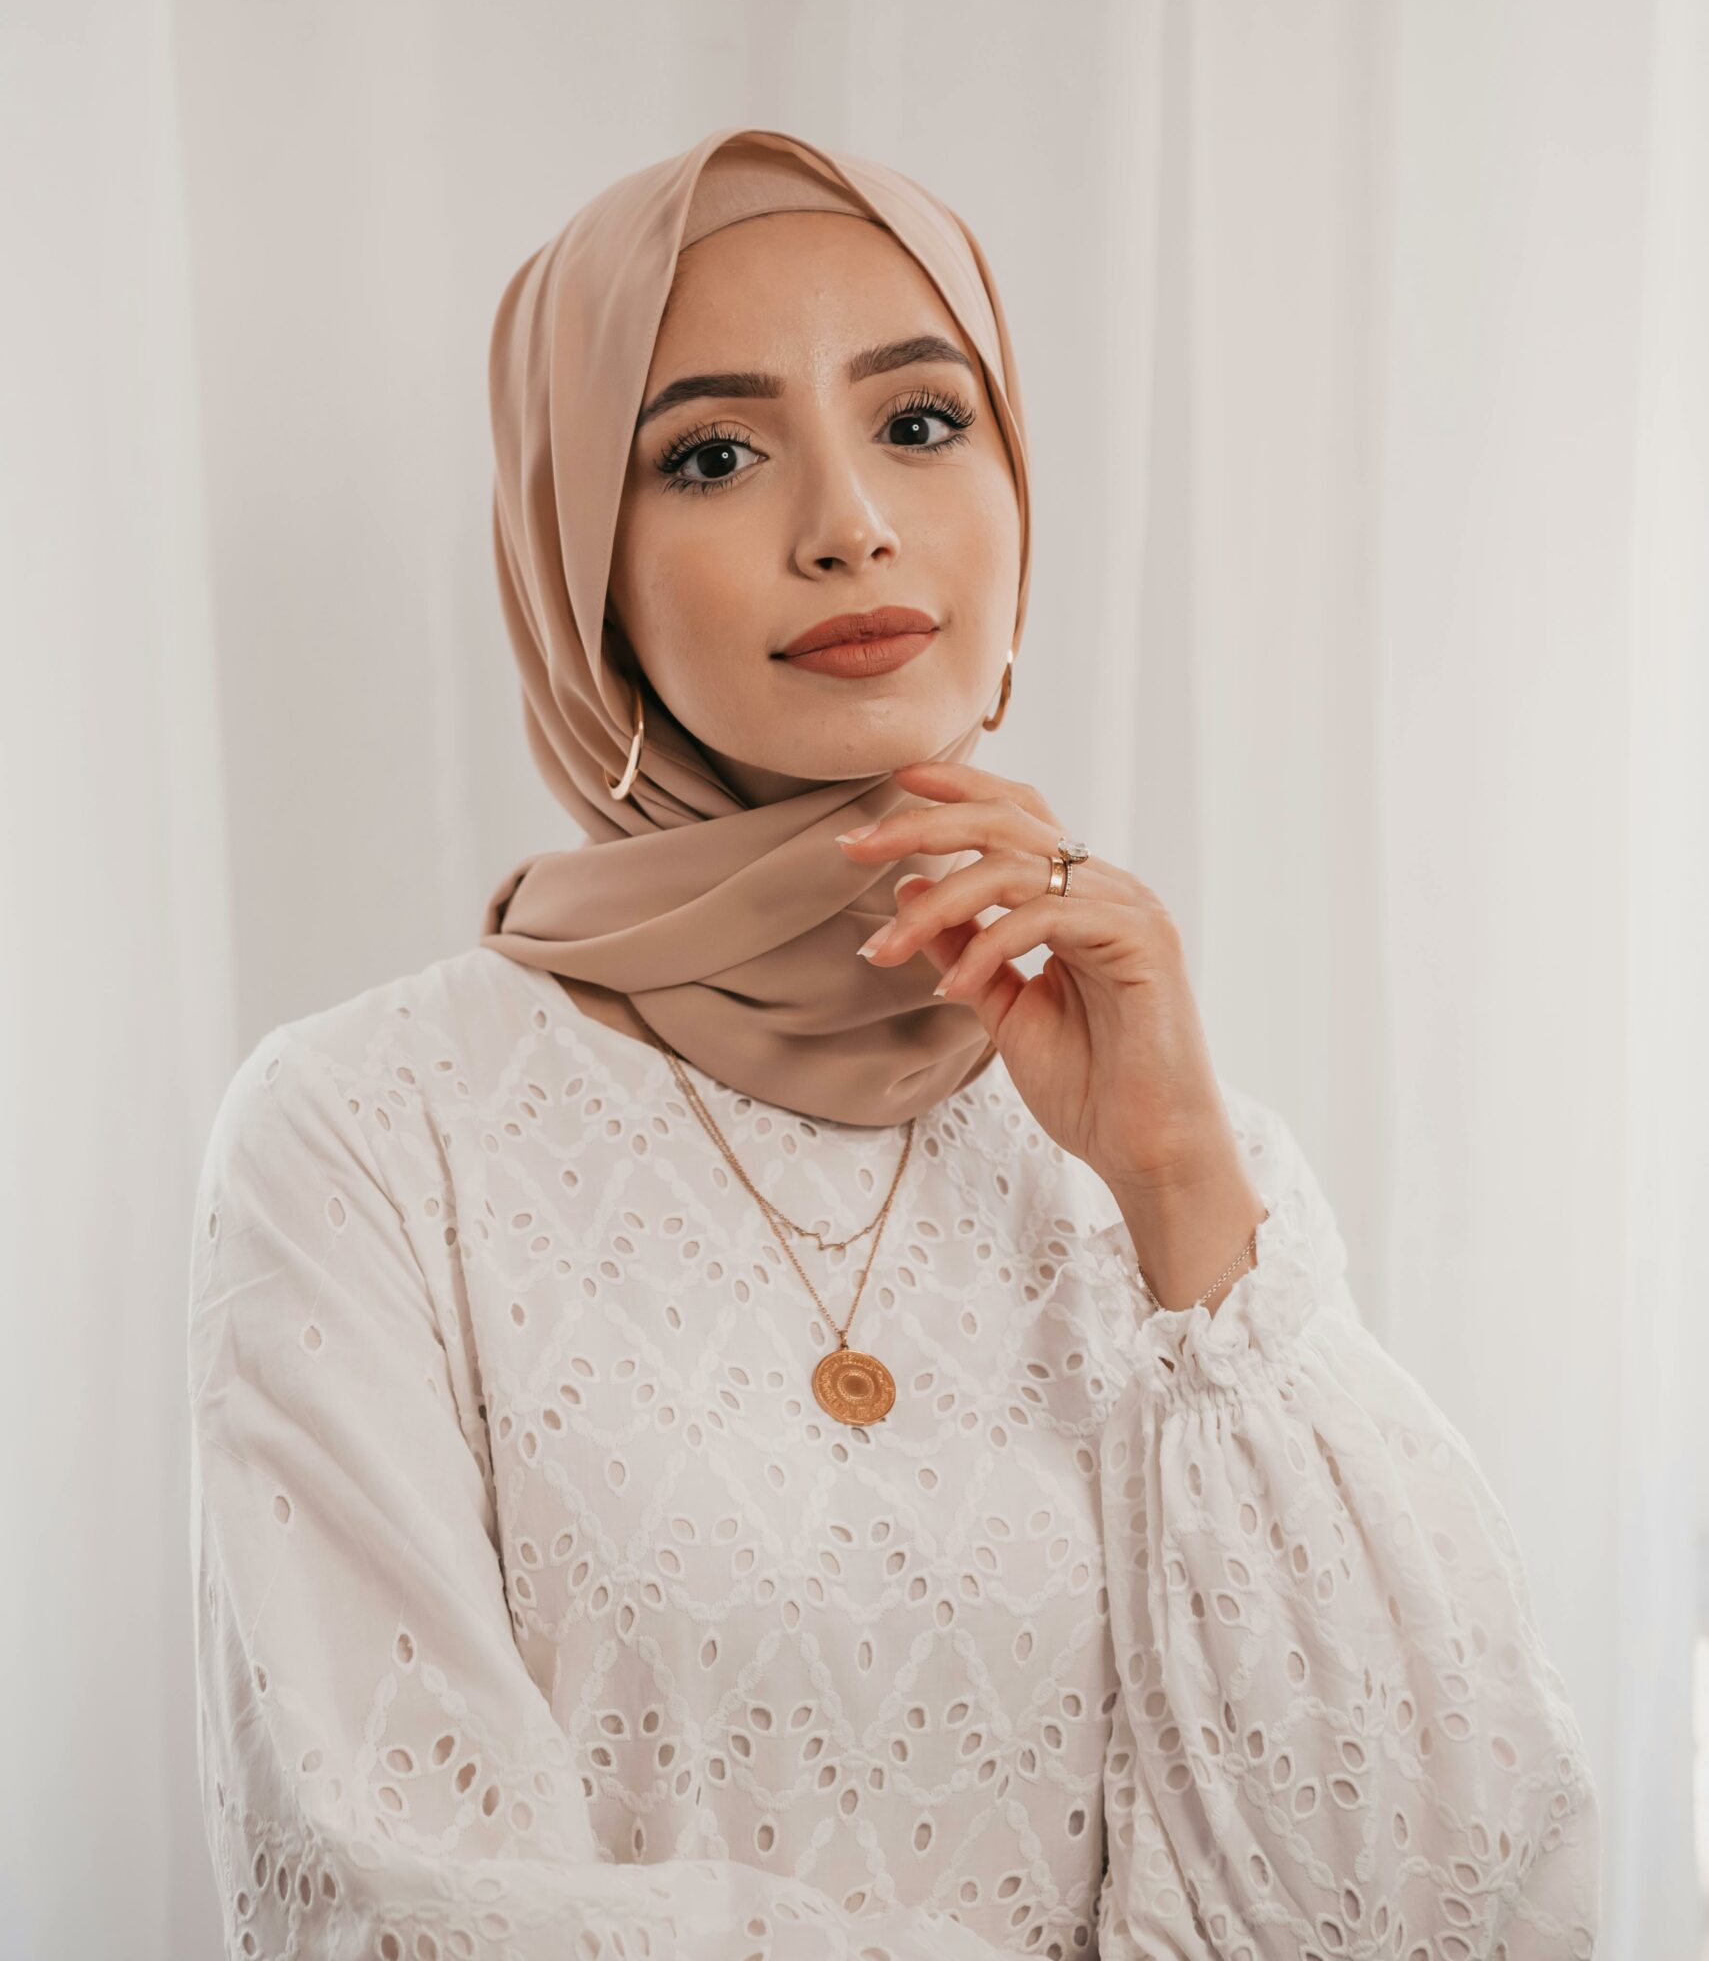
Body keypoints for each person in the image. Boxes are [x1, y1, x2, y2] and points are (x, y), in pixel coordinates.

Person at [186, 127, 1600, 1960]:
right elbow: (394, 1899)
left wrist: (1175, 1180)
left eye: (922, 423)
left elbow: (1447, 1891)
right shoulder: (370, 1133)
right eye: (708, 452)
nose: (847, 519)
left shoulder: (1189, 1176)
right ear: (577, 573)